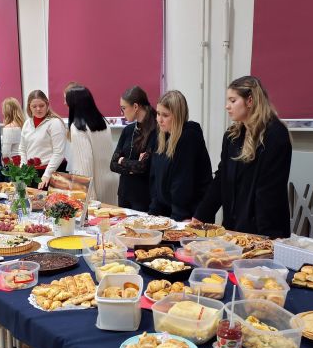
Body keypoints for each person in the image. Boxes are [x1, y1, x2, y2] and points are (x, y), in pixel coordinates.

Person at [193, 76, 292, 238]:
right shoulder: (232, 135)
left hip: (264, 230)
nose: (227, 106)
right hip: (233, 228)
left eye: (233, 101)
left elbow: (269, 193)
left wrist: (265, 239)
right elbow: (221, 178)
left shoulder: (276, 134)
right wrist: (202, 214)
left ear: (250, 101)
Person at [149, 90, 212, 221]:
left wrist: (179, 217)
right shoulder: (161, 137)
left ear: (178, 116)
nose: (159, 120)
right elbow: (155, 178)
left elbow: (182, 183)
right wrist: (153, 211)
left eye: (165, 115)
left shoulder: (189, 137)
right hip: (169, 213)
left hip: (189, 215)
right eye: (158, 114)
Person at [66, 85, 119, 204]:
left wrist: (89, 196)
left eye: (67, 101)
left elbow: (85, 163)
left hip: (94, 188)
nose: (65, 103)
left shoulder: (78, 128)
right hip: (111, 182)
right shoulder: (103, 122)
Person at [110, 86, 157, 211]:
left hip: (143, 197)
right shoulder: (128, 130)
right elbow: (112, 164)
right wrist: (133, 166)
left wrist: (122, 160)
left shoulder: (155, 131)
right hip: (124, 194)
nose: (122, 112)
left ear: (135, 106)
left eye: (123, 108)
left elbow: (143, 167)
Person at [19, 90, 67, 189]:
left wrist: (47, 174)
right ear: (29, 107)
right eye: (34, 106)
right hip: (31, 172)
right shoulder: (27, 123)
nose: (38, 109)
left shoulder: (55, 123)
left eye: (41, 105)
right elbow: (22, 149)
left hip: (51, 171)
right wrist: (23, 170)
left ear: (47, 104)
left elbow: (59, 152)